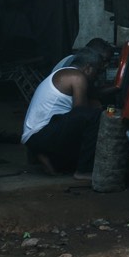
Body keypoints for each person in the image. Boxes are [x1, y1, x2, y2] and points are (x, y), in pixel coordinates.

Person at [21, 48, 105, 178]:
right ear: (88, 68)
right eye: (97, 71)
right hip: (42, 135)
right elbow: (80, 111)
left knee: (90, 114)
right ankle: (84, 171)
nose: (97, 76)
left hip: (34, 136)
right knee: (95, 116)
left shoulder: (61, 73)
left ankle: (48, 158)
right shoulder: (77, 77)